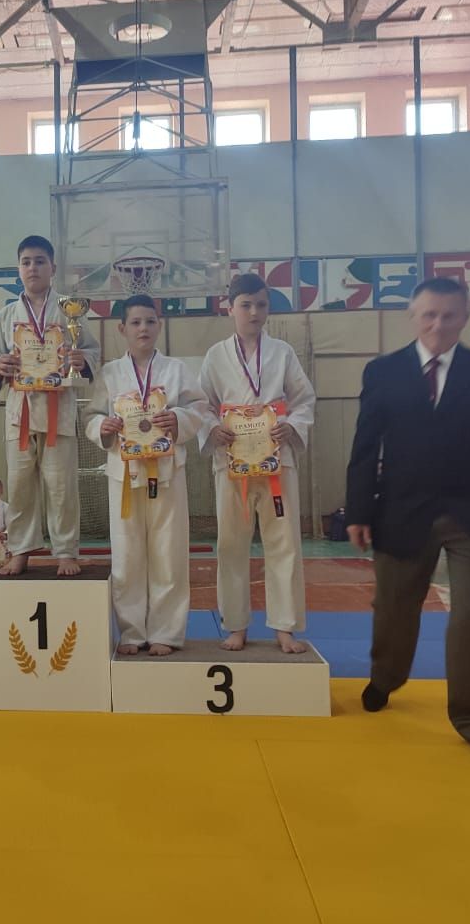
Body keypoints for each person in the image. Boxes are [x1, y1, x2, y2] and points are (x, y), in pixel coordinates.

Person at [345, 277, 470, 761]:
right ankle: (386, 676)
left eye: (449, 315)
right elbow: (365, 446)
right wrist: (359, 511)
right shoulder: (383, 372)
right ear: (413, 316)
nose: (438, 324)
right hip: (400, 510)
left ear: (465, 317)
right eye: (429, 314)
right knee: (393, 608)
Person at [84, 294, 213, 656]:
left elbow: (199, 407)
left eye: (150, 321)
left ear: (160, 325)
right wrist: (102, 426)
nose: (143, 328)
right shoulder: (110, 373)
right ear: (122, 329)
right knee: (127, 554)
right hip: (124, 475)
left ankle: (166, 633)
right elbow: (92, 415)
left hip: (167, 472)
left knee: (168, 552)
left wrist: (179, 418)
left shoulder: (176, 370)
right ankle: (131, 632)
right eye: (136, 322)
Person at [200, 272, 316, 654]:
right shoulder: (215, 356)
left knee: (284, 544)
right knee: (231, 544)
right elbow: (201, 404)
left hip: (277, 460)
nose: (254, 312)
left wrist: (291, 425)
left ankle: (285, 627)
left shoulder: (282, 353)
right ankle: (235, 625)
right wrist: (212, 428)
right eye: (246, 305)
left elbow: (303, 399)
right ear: (229, 308)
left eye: (261, 305)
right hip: (232, 462)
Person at [0, 235, 101, 576]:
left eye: (39, 261)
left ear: (53, 267)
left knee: (61, 486)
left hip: (58, 411)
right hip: (19, 411)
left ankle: (66, 551)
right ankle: (21, 549)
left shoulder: (69, 311)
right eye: (26, 262)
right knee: (20, 485)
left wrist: (82, 359)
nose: (32, 267)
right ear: (18, 269)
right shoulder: (7, 315)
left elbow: (93, 351)